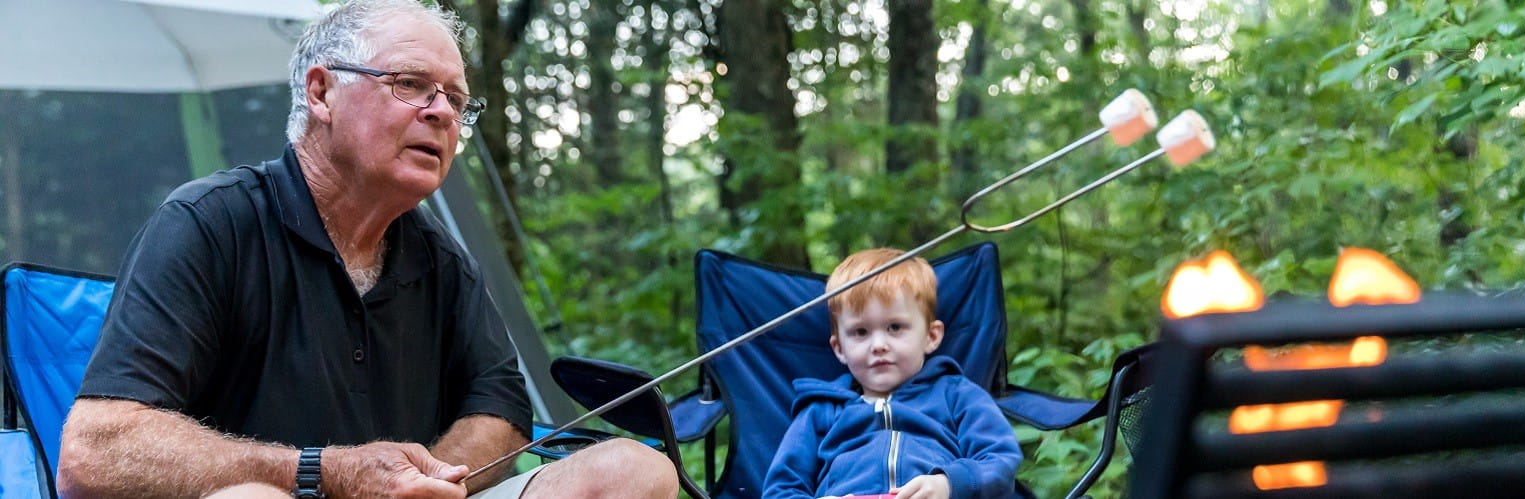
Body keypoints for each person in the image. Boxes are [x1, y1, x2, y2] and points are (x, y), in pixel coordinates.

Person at [53, 1, 678, 498]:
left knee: (632, 469)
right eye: (411, 84)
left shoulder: (442, 258)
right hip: (281, 493)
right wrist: (327, 474)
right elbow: (93, 453)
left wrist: (428, 480)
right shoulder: (210, 223)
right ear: (322, 93)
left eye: (456, 100)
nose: (442, 114)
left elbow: (501, 412)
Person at [763, 249, 1024, 499]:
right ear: (839, 348)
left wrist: (948, 484)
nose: (878, 345)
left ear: (931, 336)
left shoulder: (956, 394)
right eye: (861, 332)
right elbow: (780, 489)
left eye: (895, 327)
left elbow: (1000, 460)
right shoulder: (821, 409)